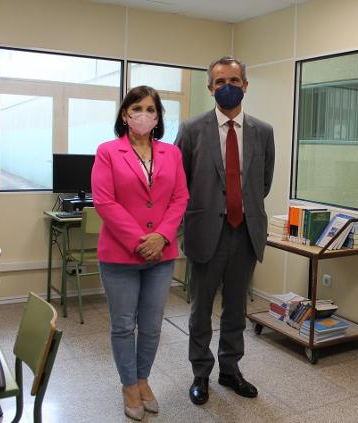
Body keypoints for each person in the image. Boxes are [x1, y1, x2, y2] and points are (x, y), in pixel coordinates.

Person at [175, 56, 275, 405]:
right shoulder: (191, 129)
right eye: (220, 82)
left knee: (235, 309)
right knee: (201, 310)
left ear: (245, 85)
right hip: (206, 233)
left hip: (245, 233)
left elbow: (263, 184)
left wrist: (240, 207)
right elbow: (179, 183)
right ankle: (201, 373)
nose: (227, 87)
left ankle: (230, 370)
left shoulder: (263, 132)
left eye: (234, 80)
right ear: (210, 88)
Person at [92, 85, 189, 421]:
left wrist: (161, 236)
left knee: (151, 325)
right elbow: (104, 201)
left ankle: (143, 379)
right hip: (120, 256)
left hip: (161, 256)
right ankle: (129, 385)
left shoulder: (171, 154)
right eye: (137, 109)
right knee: (123, 326)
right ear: (125, 115)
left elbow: (180, 198)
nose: (143, 115)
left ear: (158, 117)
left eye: (150, 109)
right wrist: (140, 241)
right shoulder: (108, 152)